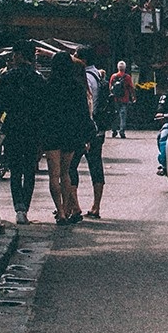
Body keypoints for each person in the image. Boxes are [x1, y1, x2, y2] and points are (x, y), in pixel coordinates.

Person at [0, 43, 45, 226]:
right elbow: (43, 108)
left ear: (18, 55)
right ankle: (25, 207)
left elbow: (0, 106)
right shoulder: (38, 79)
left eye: (14, 54)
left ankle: (19, 208)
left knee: (15, 170)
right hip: (33, 129)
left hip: (13, 128)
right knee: (30, 169)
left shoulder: (7, 77)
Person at [40, 49, 92, 224]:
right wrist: (85, 137)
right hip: (70, 133)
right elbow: (83, 114)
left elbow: (41, 113)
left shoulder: (47, 86)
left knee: (53, 175)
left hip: (52, 132)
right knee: (66, 173)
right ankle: (69, 210)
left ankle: (60, 211)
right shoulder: (77, 87)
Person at [72, 53, 108, 219]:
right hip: (98, 128)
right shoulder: (98, 75)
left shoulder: (85, 78)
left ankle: (74, 206)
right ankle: (96, 206)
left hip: (86, 128)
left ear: (82, 59)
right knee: (95, 165)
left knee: (71, 166)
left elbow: (89, 107)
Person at [108, 60, 135, 138]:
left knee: (115, 114)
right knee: (123, 115)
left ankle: (114, 130)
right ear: (125, 68)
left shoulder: (113, 76)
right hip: (124, 98)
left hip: (115, 99)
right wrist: (133, 96)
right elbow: (131, 88)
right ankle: (122, 131)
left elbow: (110, 87)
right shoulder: (127, 77)